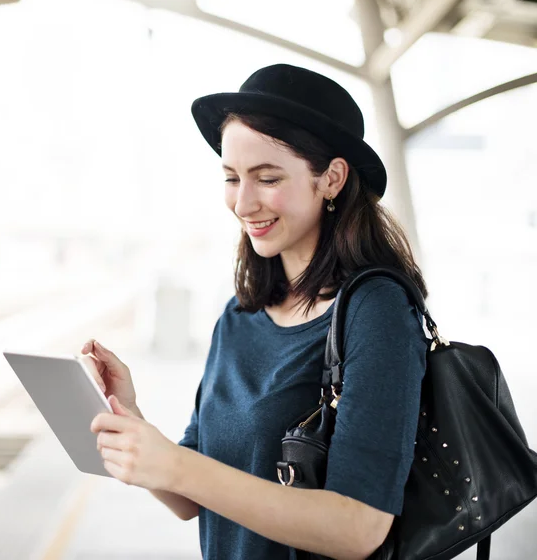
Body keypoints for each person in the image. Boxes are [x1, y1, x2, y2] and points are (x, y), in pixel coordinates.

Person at [86, 63, 430, 560]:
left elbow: (359, 528)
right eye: (231, 178)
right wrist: (128, 415)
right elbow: (189, 498)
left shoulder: (376, 312)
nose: (243, 203)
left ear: (331, 178)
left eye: (267, 178)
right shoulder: (240, 315)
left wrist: (175, 466)